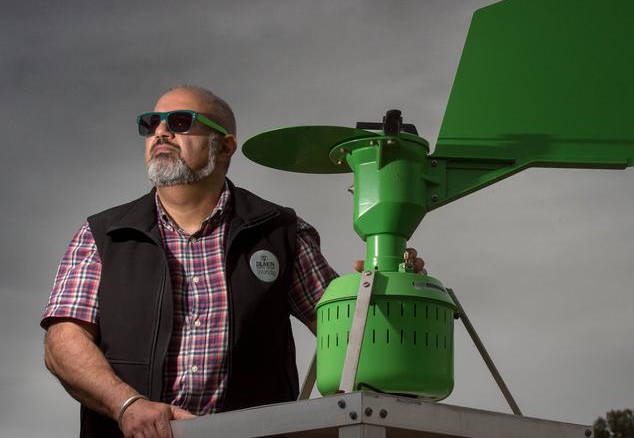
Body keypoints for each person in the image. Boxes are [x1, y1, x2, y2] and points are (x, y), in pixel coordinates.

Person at [41, 85, 425, 438]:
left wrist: (393, 287)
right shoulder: (103, 235)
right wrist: (128, 405)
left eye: (179, 122)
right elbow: (63, 342)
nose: (160, 132)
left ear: (224, 146)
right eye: (150, 123)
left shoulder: (281, 232)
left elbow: (347, 336)